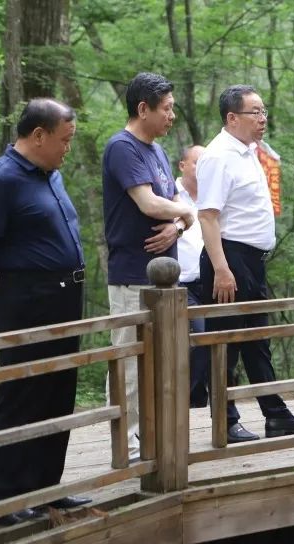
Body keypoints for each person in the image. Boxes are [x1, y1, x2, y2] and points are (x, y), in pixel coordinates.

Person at [0, 99, 91, 525]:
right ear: (38, 135)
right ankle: (6, 498)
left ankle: (46, 488)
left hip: (64, 296)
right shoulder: (0, 178)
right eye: (64, 140)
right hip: (27, 298)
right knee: (23, 393)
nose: (67, 148)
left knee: (58, 391)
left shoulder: (50, 174)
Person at [196, 85, 294, 443]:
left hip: (252, 261)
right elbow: (208, 216)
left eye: (264, 111)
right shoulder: (218, 156)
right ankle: (225, 420)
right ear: (232, 118)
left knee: (257, 341)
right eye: (255, 112)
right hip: (228, 259)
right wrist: (221, 268)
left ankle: (275, 415)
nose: (263, 119)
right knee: (226, 344)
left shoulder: (249, 152)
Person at [102, 72, 196, 461]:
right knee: (129, 362)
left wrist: (179, 224)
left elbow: (173, 205)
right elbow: (149, 203)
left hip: (164, 282)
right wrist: (184, 214)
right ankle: (125, 446)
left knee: (161, 361)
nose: (172, 116)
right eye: (167, 109)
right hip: (132, 276)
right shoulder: (122, 148)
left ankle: (152, 441)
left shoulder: (156, 151)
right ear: (144, 109)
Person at [176, 145, 210, 408]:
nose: (202, 168)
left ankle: (205, 401)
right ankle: (192, 403)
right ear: (183, 165)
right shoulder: (170, 194)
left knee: (216, 340)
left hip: (210, 282)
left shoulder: (213, 194)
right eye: (197, 162)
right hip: (180, 285)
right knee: (198, 339)